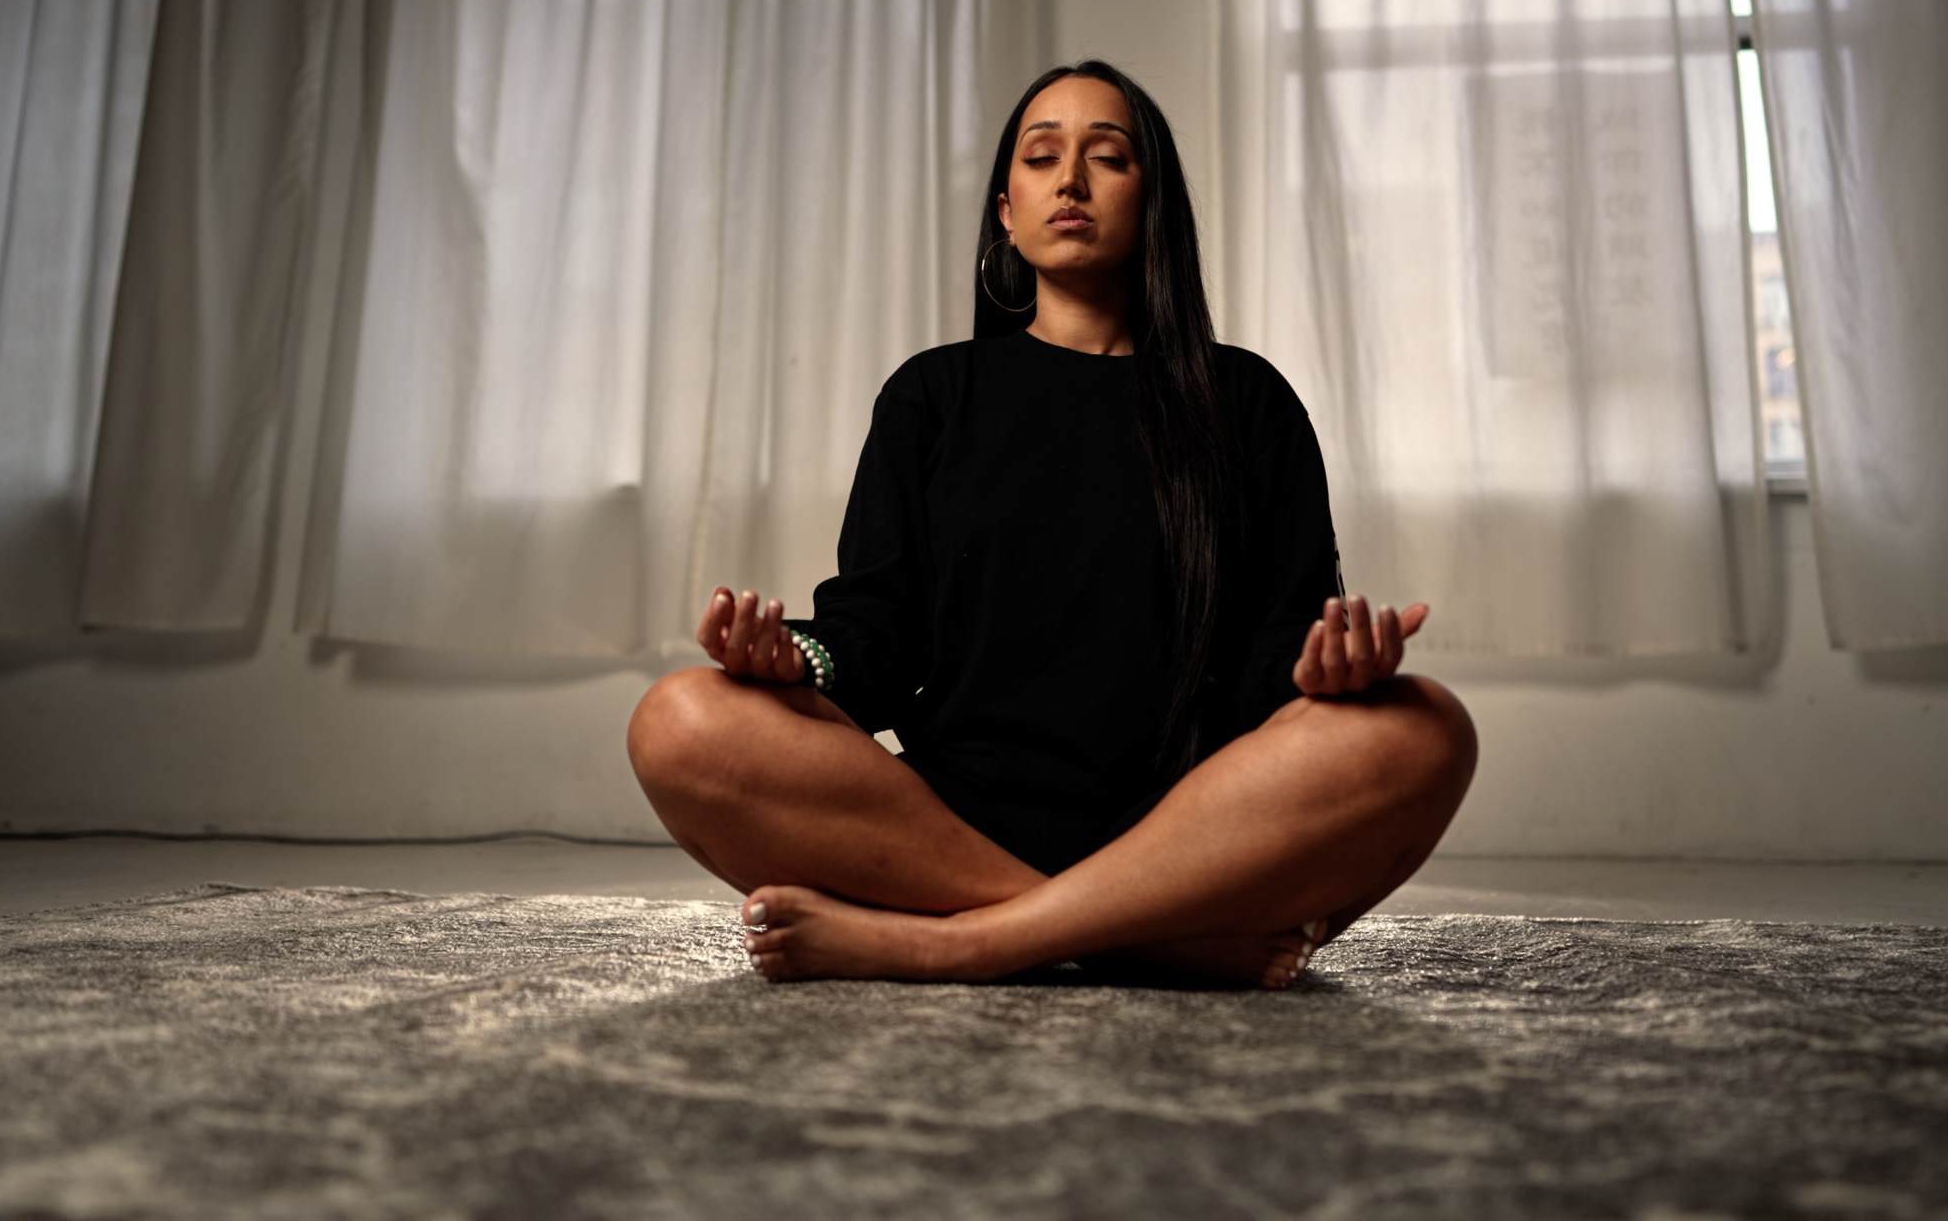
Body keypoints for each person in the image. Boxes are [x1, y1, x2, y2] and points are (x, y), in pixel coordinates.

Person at [626, 60, 1476, 989]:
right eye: (1041, 157)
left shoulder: (1248, 401)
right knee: (679, 719)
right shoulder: (933, 396)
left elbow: (1274, 657)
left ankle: (960, 941)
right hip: (949, 824)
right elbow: (877, 642)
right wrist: (796, 660)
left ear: (1154, 203)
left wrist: (1326, 672)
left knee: (1425, 729)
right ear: (1005, 211)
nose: (1070, 180)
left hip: (1189, 831)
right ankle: (1137, 938)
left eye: (1107, 157)